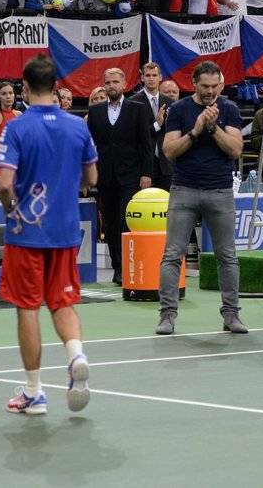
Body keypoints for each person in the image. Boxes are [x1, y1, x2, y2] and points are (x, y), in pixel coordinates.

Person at [0, 54, 96, 415]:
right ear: (55, 86)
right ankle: (76, 354)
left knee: (27, 309)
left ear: (24, 87)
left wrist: (9, 209)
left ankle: (34, 392)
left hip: (26, 233)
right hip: (66, 231)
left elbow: (5, 184)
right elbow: (92, 179)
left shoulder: (17, 128)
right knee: (62, 301)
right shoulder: (77, 126)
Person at [156, 61, 246, 335]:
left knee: (227, 257)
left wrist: (213, 127)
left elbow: (235, 150)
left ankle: (231, 316)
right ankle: (167, 316)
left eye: (214, 86)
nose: (210, 92)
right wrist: (195, 130)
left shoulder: (228, 109)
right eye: (205, 86)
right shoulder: (180, 110)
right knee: (172, 255)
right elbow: (170, 151)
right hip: (184, 190)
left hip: (220, 191)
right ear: (193, 83)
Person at [85, 68, 154, 285]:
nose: (111, 86)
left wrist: (146, 173)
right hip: (105, 176)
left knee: (126, 221)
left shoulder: (138, 109)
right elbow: (89, 147)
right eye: (108, 82)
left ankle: (129, 265)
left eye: (115, 81)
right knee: (111, 224)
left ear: (124, 84)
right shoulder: (95, 111)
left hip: (131, 176)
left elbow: (146, 144)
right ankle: (118, 268)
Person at [127, 62, 175, 190]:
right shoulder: (132, 102)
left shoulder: (171, 102)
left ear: (160, 77)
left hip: (167, 166)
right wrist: (157, 125)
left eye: (154, 75)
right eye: (147, 75)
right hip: (142, 166)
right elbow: (132, 134)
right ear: (142, 78)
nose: (151, 78)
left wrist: (170, 123)